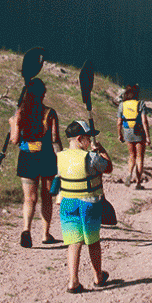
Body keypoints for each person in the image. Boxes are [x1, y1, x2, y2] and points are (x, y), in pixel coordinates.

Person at [56, 120, 113, 293]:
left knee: (74, 242)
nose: (91, 141)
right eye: (89, 138)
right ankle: (98, 276)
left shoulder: (60, 156)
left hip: (67, 203)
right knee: (93, 241)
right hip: (89, 203)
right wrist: (102, 150)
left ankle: (73, 281)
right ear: (80, 139)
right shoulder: (91, 157)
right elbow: (108, 168)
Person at [8, 77, 61, 248]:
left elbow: (15, 140)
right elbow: (55, 140)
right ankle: (45, 234)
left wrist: (12, 124)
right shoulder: (50, 113)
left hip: (26, 158)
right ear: (43, 94)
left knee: (29, 199)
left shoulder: (20, 113)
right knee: (46, 198)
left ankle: (26, 229)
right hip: (46, 157)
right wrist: (61, 160)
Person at [118, 84, 149, 188]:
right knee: (140, 157)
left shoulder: (122, 105)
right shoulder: (140, 104)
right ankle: (138, 183)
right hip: (139, 131)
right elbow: (144, 121)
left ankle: (129, 174)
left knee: (132, 155)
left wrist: (120, 134)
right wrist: (148, 137)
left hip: (127, 131)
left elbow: (119, 122)